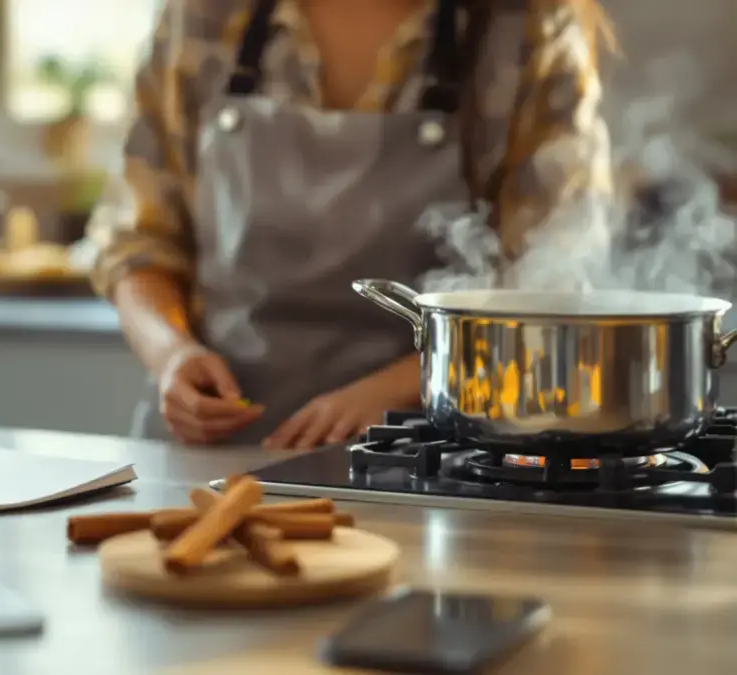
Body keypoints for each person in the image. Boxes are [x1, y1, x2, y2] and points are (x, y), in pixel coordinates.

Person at [85, 0, 615, 449]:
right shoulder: (203, 17)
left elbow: (551, 289)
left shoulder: (525, 31)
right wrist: (172, 354)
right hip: (208, 459)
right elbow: (140, 244)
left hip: (422, 458)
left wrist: (398, 391)